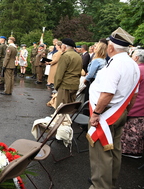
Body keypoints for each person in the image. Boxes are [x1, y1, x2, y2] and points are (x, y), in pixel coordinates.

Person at [87, 27, 140, 189]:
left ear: (111, 47)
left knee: (101, 155)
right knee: (114, 151)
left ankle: (100, 186)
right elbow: (134, 95)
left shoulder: (116, 64)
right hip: (119, 112)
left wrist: (96, 114)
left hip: (104, 115)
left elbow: (107, 93)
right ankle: (110, 183)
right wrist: (125, 111)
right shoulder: (133, 65)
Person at [120, 48, 144, 159]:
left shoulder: (137, 70)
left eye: (132, 55)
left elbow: (131, 89)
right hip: (141, 105)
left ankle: (129, 151)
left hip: (136, 104)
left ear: (136, 58)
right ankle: (137, 151)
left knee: (131, 129)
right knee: (139, 130)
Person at [54, 38, 82, 108]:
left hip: (65, 85)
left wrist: (56, 86)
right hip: (75, 84)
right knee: (70, 109)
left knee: (61, 110)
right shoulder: (78, 56)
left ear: (64, 46)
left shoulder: (65, 55)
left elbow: (60, 73)